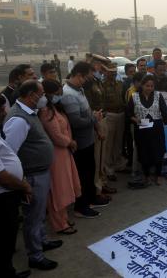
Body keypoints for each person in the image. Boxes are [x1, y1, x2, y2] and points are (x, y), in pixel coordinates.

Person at [4, 80, 61, 271]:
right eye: (42, 93)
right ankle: (35, 256)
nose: (45, 97)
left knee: (39, 213)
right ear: (31, 95)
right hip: (32, 176)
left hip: (40, 172)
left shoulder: (30, 113)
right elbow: (9, 153)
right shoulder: (18, 120)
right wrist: (22, 182)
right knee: (33, 217)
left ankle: (42, 241)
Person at [61, 62, 108, 218]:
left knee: (90, 172)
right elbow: (76, 122)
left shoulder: (79, 89)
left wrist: (95, 124)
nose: (88, 80)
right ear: (79, 75)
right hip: (80, 143)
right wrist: (93, 118)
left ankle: (91, 198)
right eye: (87, 77)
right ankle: (81, 207)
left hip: (88, 140)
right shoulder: (68, 94)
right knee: (82, 175)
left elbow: (86, 114)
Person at [39, 80, 81, 235]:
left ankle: (63, 218)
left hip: (64, 152)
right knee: (58, 190)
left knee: (65, 187)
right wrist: (70, 142)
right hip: (57, 153)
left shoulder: (53, 108)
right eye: (57, 93)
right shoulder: (45, 111)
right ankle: (59, 224)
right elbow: (55, 135)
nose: (59, 96)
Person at [0, 94, 32, 278]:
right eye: (0, 109)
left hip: (9, 192)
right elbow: (2, 177)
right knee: (4, 237)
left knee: (8, 236)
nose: (4, 112)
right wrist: (24, 185)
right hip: (3, 195)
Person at [128, 75, 167, 185]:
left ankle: (158, 175)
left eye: (152, 86)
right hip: (142, 130)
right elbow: (128, 113)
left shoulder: (158, 95)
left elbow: (165, 113)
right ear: (142, 85)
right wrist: (135, 119)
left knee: (158, 152)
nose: (150, 88)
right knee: (143, 152)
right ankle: (146, 175)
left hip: (156, 129)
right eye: (147, 86)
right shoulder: (134, 96)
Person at [83, 54, 111, 197]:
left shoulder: (97, 80)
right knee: (97, 157)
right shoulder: (88, 83)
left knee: (102, 156)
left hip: (102, 118)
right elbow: (88, 106)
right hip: (96, 120)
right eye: (100, 64)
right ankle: (97, 188)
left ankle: (102, 182)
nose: (103, 67)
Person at [101, 63, 128, 185]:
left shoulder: (120, 84)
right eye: (110, 71)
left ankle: (118, 165)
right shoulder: (101, 86)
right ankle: (109, 169)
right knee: (108, 144)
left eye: (114, 71)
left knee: (118, 142)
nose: (113, 73)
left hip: (120, 114)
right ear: (105, 72)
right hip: (110, 115)